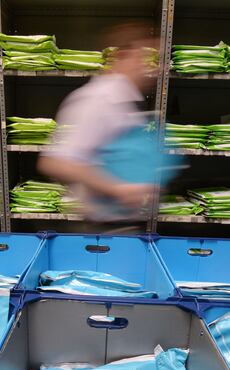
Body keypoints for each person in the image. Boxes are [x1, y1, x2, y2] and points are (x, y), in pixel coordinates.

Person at [37, 22, 167, 230]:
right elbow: (56, 162)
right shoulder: (98, 100)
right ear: (124, 55)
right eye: (144, 57)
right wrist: (119, 189)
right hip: (102, 231)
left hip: (124, 226)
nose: (154, 67)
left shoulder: (127, 102)